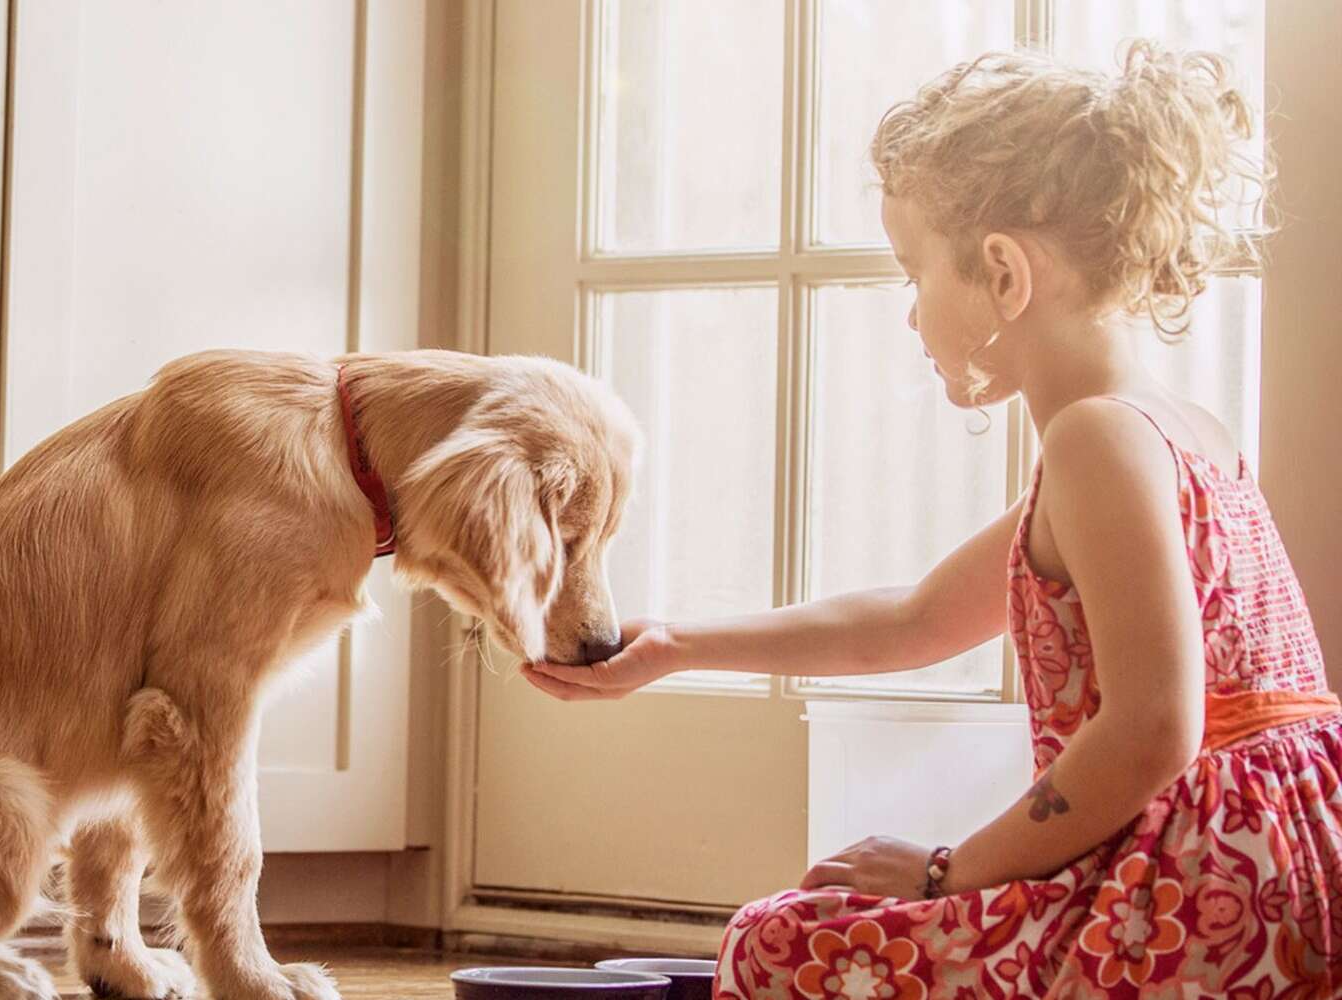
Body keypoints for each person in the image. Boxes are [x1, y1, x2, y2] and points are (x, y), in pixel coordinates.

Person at [524, 41, 1339, 998]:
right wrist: (676, 645)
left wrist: (948, 872)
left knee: (778, 944)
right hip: (1273, 871)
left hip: (1204, 894)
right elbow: (911, 620)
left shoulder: (1096, 441)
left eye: (913, 274)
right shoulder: (1175, 431)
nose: (911, 315)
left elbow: (1155, 727)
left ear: (1003, 273)